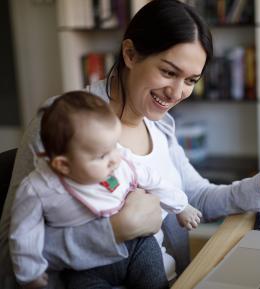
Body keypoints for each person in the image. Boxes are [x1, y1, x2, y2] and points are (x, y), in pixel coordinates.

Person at [0, 0, 260, 288]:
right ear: (130, 54)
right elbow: (10, 253)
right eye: (168, 72)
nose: (176, 93)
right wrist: (116, 231)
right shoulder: (63, 122)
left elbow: (197, 197)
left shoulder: (161, 125)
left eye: (190, 80)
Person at [9, 91, 201, 289]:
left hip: (136, 245)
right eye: (102, 155)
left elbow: (154, 180)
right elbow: (24, 233)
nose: (115, 159)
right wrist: (30, 274)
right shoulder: (39, 188)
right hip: (83, 266)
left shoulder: (119, 160)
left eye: (114, 147)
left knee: (153, 276)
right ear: (63, 165)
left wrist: (181, 206)